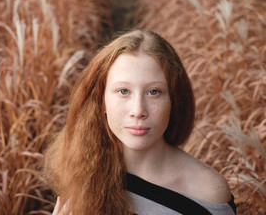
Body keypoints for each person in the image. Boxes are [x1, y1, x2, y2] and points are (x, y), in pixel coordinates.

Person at [44, 30, 236, 215]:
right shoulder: (82, 173)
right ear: (101, 100)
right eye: (123, 91)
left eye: (154, 92)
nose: (138, 111)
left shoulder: (208, 194)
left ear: (174, 100)